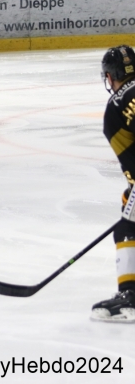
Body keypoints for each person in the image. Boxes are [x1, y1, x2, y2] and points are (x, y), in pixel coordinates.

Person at [92, 46, 135, 322]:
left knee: (127, 226)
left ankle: (129, 297)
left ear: (110, 77)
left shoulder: (115, 110)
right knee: (128, 202)